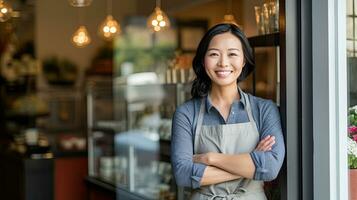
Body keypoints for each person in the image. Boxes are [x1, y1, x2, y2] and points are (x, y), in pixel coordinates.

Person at [171, 23, 285, 199]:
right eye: (214, 54)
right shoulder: (186, 113)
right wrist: (252, 163)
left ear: (244, 60)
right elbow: (183, 174)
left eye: (232, 54)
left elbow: (270, 168)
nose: (223, 62)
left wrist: (210, 159)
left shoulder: (264, 109)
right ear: (203, 60)